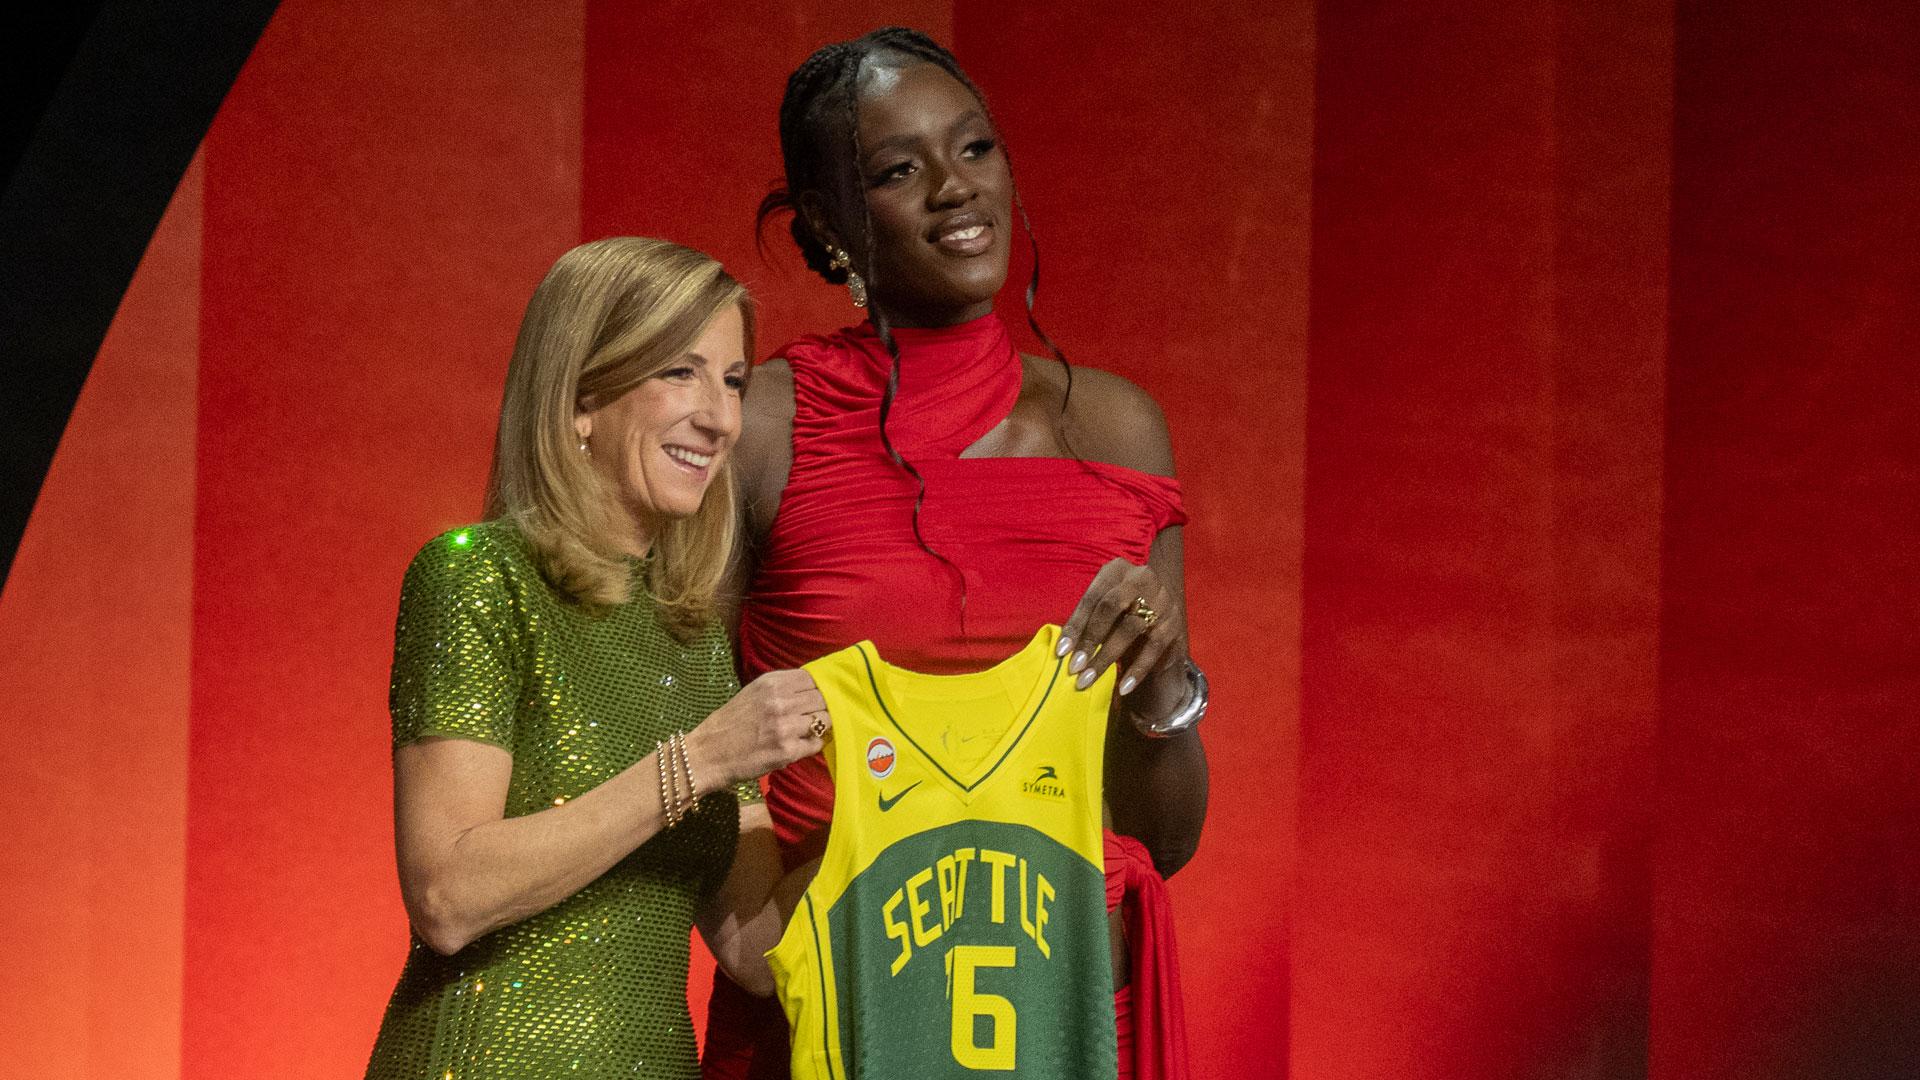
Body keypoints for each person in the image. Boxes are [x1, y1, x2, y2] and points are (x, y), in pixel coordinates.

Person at [702, 28, 1208, 1080]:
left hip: (1067, 1007)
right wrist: (742, 913)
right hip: (839, 1012)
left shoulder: (1116, 429)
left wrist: (1162, 693)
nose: (954, 190)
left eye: (974, 150)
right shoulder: (764, 427)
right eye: (898, 170)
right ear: (829, 229)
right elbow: (684, 714)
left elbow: (1169, 837)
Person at [363, 237, 829, 1080]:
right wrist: (702, 760)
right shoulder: (479, 575)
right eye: (680, 373)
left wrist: (916, 805)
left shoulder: (694, 645)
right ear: (582, 397)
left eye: (731, 381)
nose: (721, 419)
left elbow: (759, 951)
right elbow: (447, 896)